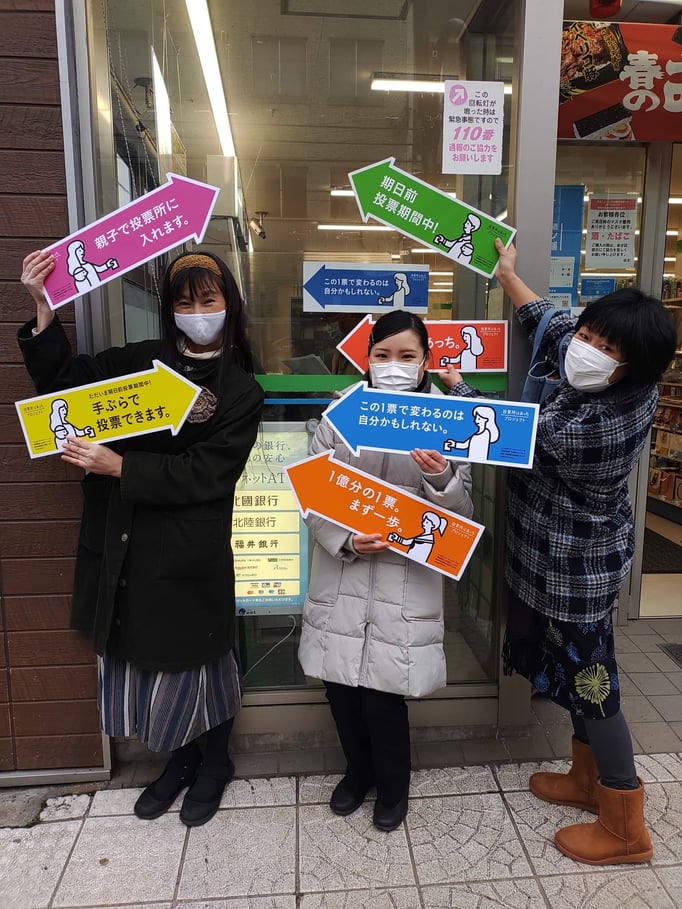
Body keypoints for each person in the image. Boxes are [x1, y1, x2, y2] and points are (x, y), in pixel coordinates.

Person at [443, 238, 677, 865]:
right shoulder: (593, 355)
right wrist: (507, 275)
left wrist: (456, 389)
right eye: (591, 335)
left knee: (595, 683)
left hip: (577, 572)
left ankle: (625, 823)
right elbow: (547, 318)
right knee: (574, 674)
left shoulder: (605, 423)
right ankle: (585, 778)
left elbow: (510, 436)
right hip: (547, 557)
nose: (586, 348)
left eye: (606, 348)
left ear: (635, 369)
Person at [18, 249, 264, 827]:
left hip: (188, 550)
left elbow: (208, 473)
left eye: (208, 301)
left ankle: (215, 762)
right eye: (184, 303)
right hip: (125, 540)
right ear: (168, 310)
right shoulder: (139, 362)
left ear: (229, 304)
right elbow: (65, 386)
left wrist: (121, 466)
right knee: (151, 662)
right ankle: (179, 760)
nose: (197, 314)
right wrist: (44, 307)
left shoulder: (241, 390)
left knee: (199, 659)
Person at [298, 309, 474, 832]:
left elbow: (462, 512)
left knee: (384, 694)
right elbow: (312, 494)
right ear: (368, 357)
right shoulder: (340, 413)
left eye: (406, 355)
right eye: (383, 354)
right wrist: (345, 539)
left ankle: (393, 786)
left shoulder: (446, 421)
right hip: (344, 573)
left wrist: (441, 478)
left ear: (425, 361)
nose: (393, 364)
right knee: (340, 689)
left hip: (405, 578)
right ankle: (357, 774)